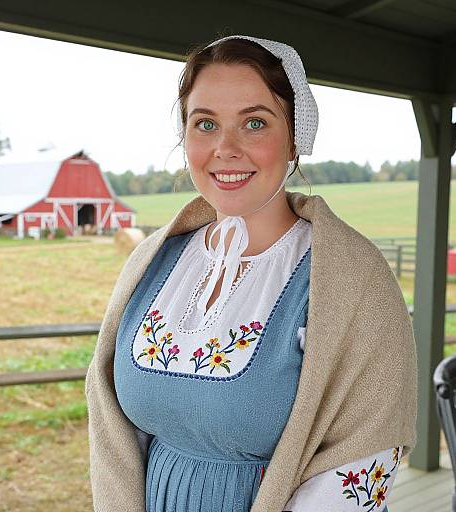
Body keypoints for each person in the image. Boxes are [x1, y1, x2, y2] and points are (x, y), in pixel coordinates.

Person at [85, 34, 417, 512]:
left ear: (295, 138)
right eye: (205, 124)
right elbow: (113, 431)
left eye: (255, 123)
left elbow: (367, 451)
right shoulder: (154, 262)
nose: (225, 148)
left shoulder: (352, 279)